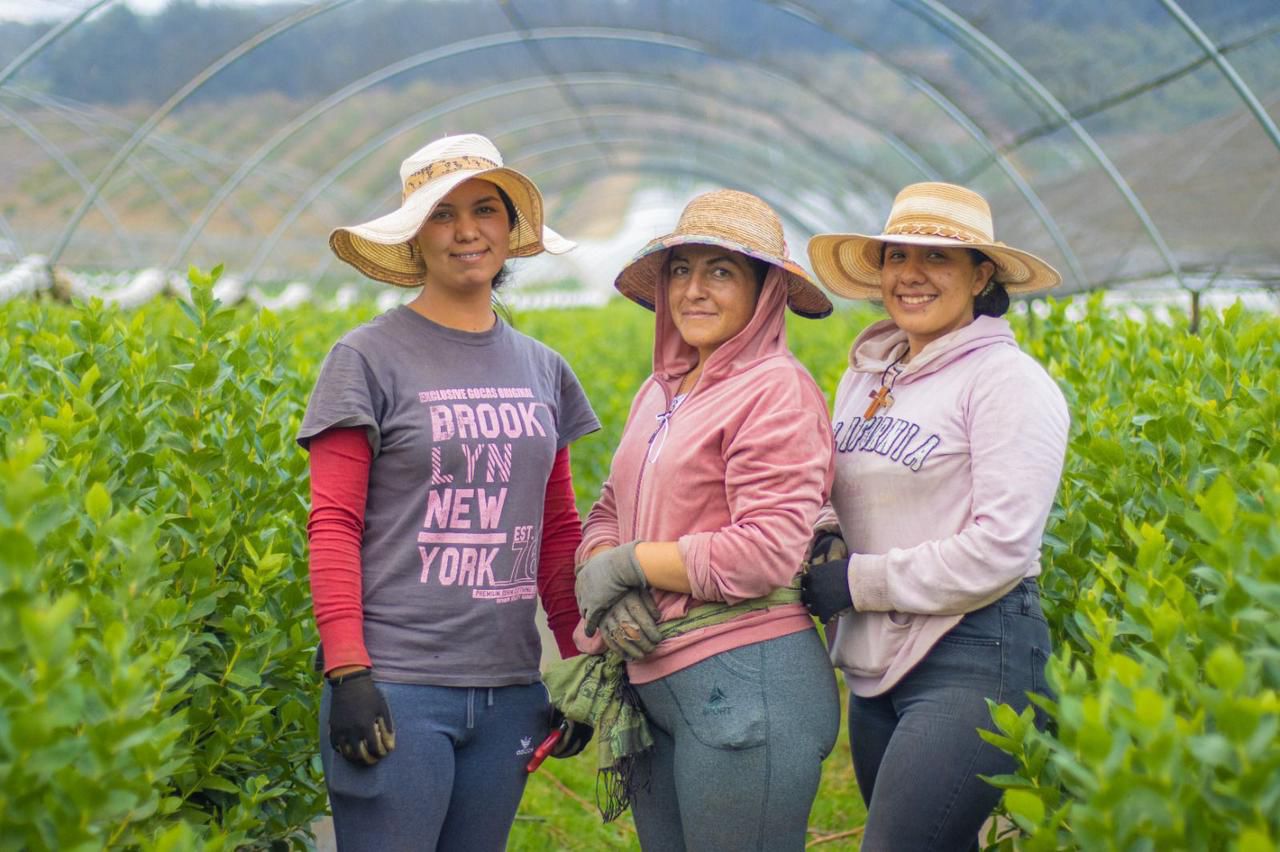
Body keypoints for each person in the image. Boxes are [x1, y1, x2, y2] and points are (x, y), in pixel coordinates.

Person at [297, 133, 600, 851]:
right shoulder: (365, 358)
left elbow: (556, 528)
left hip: (509, 689)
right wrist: (348, 671)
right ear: (415, 238)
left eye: (485, 210)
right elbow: (333, 523)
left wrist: (578, 658)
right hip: (397, 686)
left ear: (510, 229)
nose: (467, 231)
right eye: (442, 213)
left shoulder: (543, 368)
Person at [551, 189, 841, 851]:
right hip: (662, 685)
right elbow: (609, 509)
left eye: (721, 271)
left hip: (747, 683)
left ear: (765, 291)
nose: (694, 290)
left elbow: (763, 552)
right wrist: (605, 571)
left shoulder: (776, 389)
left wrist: (629, 566)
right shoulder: (661, 392)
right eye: (682, 269)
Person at [802, 181, 1070, 851]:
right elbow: (848, 492)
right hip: (876, 654)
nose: (911, 275)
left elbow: (1002, 549)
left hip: (975, 648)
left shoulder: (1007, 383)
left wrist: (857, 582)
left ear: (982, 275)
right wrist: (824, 538)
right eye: (897, 257)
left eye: (938, 258)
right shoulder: (867, 376)